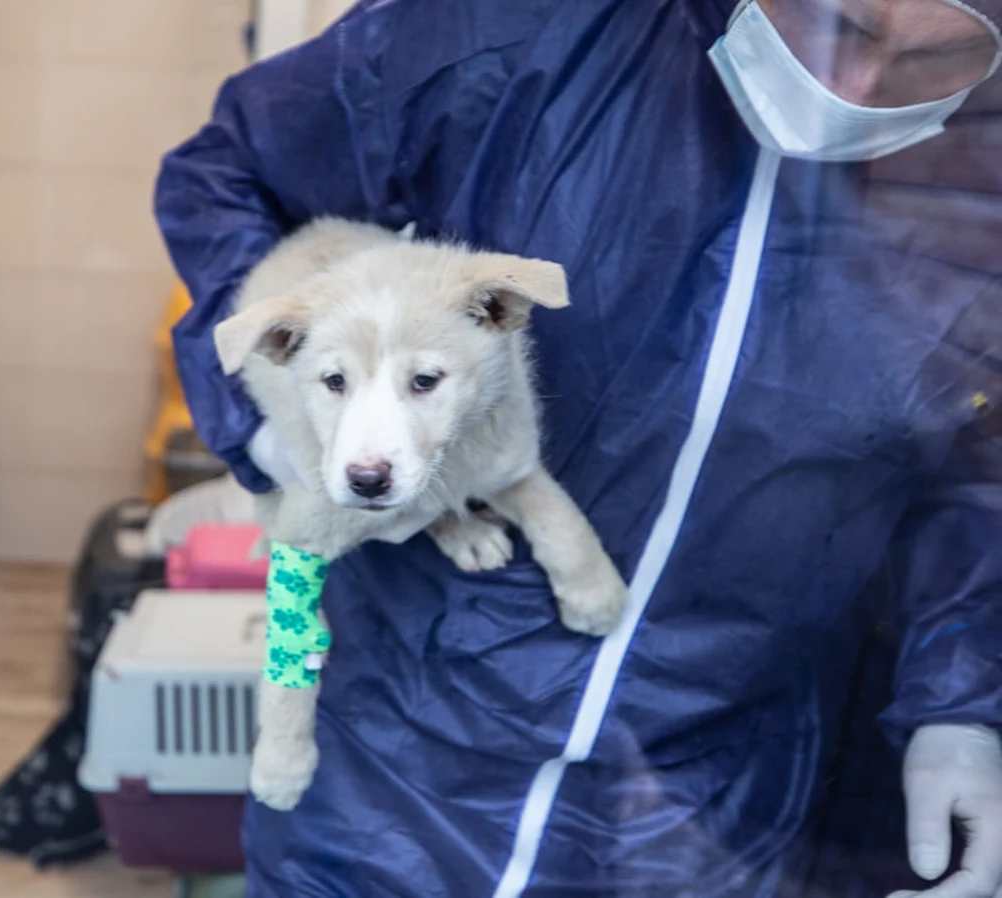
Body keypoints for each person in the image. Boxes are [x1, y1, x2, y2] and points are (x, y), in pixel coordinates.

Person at [153, 0, 1002, 895]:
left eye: (937, 61)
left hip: (710, 803)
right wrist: (267, 416)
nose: (857, 91)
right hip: (396, 768)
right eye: (845, 27)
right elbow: (227, 172)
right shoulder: (513, 24)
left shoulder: (979, 175)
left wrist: (967, 702)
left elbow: (974, 462)